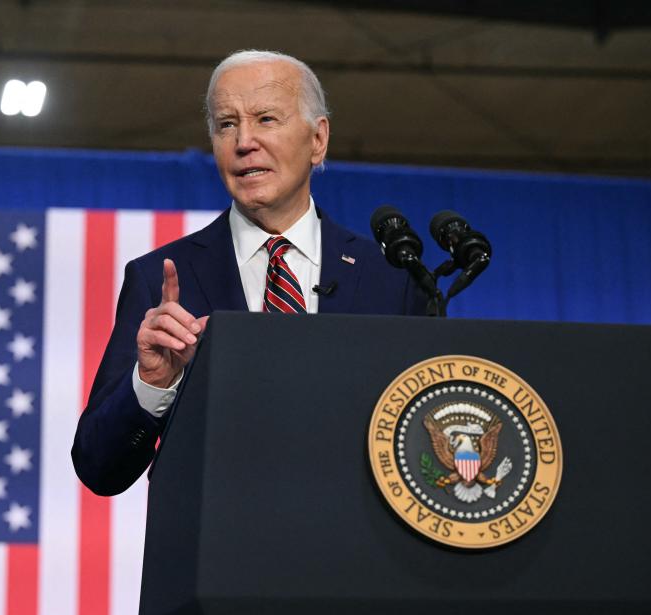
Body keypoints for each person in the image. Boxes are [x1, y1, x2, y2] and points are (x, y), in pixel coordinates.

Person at [72, 49, 426, 497]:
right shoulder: (158, 279)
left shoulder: (392, 280)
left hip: (356, 555)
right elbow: (98, 467)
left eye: (266, 119)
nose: (243, 142)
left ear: (318, 140)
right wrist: (152, 384)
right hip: (214, 558)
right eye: (226, 124)